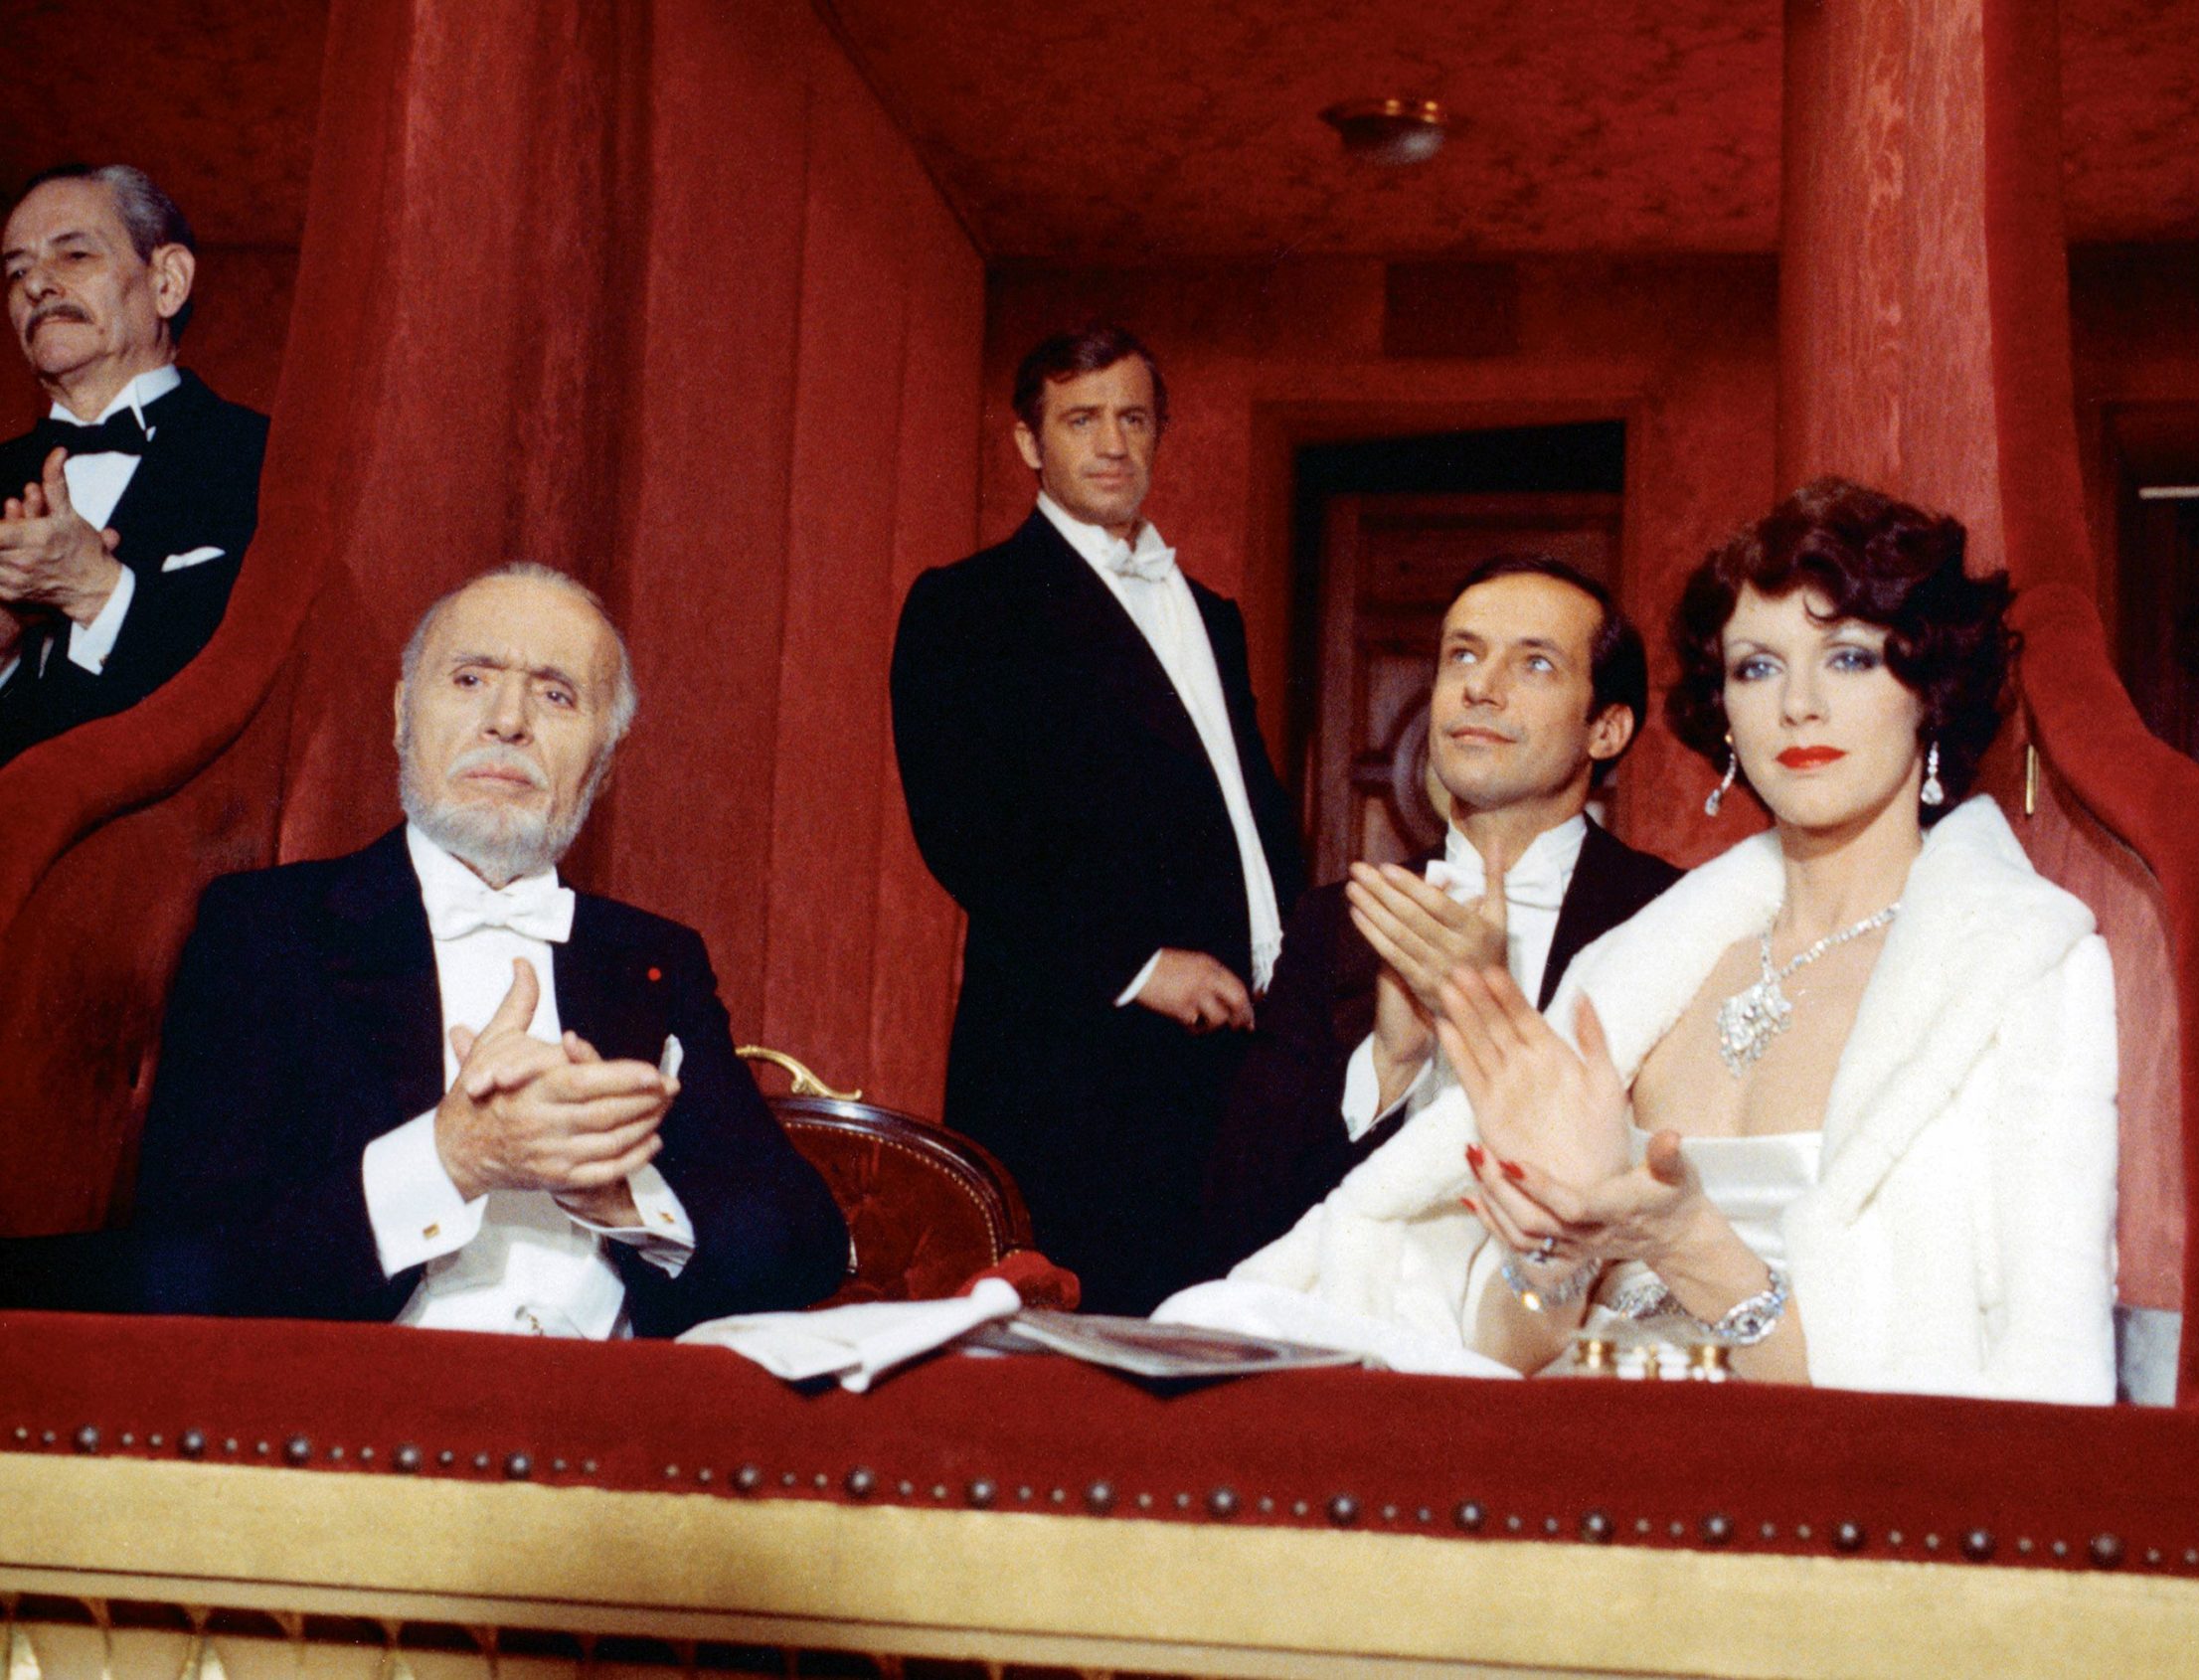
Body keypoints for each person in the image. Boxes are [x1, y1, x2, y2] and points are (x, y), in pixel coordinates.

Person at [1218, 478, 2118, 1400]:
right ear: (1724, 711)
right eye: (1756, 668)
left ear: (1929, 691)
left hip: (1813, 1474)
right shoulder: (1644, 966)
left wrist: (1692, 1244)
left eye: (1849, 658)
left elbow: (2031, 1383)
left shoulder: (2021, 974)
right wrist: (1554, 1252)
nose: (1798, 704)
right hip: (1556, 1449)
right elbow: (1497, 1345)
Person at [128, 565, 847, 1333]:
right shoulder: (267, 928)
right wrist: (451, 1160)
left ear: (604, 759)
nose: (508, 721)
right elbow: (181, 1268)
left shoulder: (654, 957)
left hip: (612, 1398)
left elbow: (807, 1244)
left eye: (556, 694)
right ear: (403, 715)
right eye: (470, 679)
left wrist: (623, 1195)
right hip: (372, 1400)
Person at [890, 326, 1304, 1314]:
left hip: (1237, 1054)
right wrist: (1140, 965)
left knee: (1228, 1335)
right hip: (1074, 1060)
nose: (1113, 443)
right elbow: (965, 831)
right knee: (1083, 1351)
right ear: (1028, 443)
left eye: (1133, 418)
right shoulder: (969, 605)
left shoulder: (1212, 613)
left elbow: (1243, 807)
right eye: (1081, 420)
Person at [1200, 555, 1680, 1273]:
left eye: (1535, 664)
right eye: (1463, 655)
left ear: (1605, 730)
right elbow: (1236, 1222)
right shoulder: (1337, 922)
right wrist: (1390, 1065)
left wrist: (1493, 1017)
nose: (1480, 687)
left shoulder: (1668, 916)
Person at [0, 164, 267, 763]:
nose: (36, 284)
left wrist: (96, 590)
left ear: (167, 282)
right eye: (16, 270)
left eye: (74, 255)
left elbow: (266, 689)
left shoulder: (263, 460)